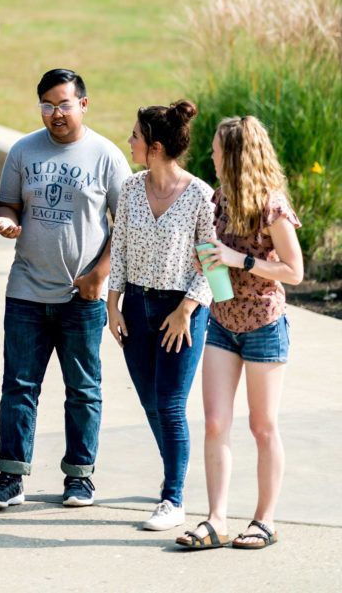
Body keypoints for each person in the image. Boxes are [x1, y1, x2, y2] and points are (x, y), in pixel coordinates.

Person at [0, 68, 131, 510]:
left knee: (83, 389)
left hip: (80, 296)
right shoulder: (24, 150)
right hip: (26, 290)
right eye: (47, 105)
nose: (56, 113)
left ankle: (80, 478)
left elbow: (124, 228)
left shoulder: (106, 156)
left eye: (64, 104)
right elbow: (7, 201)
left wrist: (99, 276)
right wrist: (5, 218)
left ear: (83, 104)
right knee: (18, 386)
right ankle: (11, 478)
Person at [176, 116, 302, 550]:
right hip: (223, 320)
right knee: (215, 422)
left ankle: (264, 520)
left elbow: (295, 271)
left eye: (215, 149)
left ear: (234, 155)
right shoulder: (220, 198)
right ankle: (215, 520)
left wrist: (238, 259)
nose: (210, 155)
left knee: (262, 425)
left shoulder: (272, 206)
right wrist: (208, 263)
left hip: (264, 323)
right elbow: (219, 255)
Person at [107, 100, 216, 531]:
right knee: (151, 404)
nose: (129, 141)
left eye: (134, 136)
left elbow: (216, 267)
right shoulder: (131, 188)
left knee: (170, 404)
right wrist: (112, 304)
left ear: (154, 146)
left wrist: (187, 309)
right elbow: (120, 249)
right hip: (135, 306)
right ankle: (177, 469)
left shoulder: (201, 196)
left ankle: (173, 498)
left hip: (181, 312)